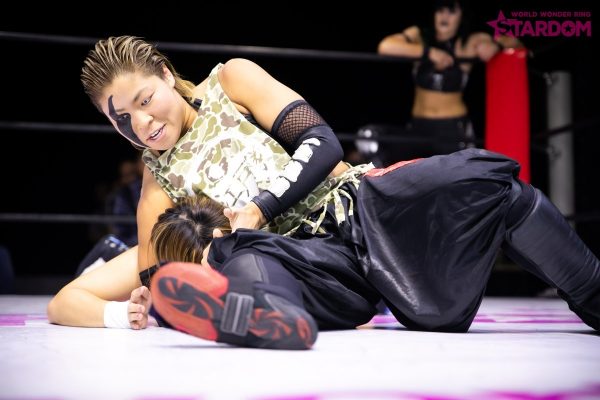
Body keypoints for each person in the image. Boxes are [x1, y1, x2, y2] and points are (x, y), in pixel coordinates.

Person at [47, 36, 599, 349]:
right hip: (310, 267)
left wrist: (259, 207)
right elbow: (153, 278)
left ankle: (595, 294)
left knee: (492, 186)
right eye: (121, 120)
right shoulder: (157, 182)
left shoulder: (230, 82)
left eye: (144, 101)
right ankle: (264, 316)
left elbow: (321, 141)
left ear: (167, 75)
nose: (141, 124)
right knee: (235, 249)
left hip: (362, 209)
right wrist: (137, 307)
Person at [364, 0, 520, 165]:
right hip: (418, 127)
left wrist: (496, 45)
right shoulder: (421, 36)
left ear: (462, 16)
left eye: (451, 11)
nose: (444, 16)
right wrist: (429, 52)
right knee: (368, 136)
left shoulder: (469, 41)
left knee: (460, 175)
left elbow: (513, 41)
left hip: (451, 129)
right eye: (440, 10)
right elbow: (385, 46)